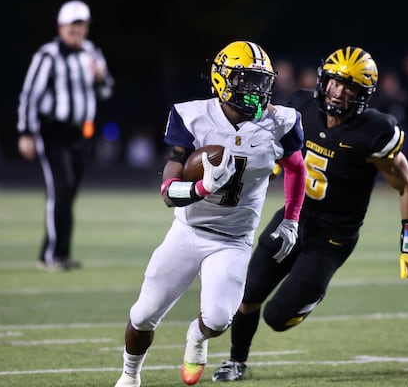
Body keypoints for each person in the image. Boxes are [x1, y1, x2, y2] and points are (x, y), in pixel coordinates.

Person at [212, 46, 408, 382]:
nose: (339, 93)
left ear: (362, 94)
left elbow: (407, 186)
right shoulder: (300, 106)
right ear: (323, 80)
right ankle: (236, 361)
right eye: (335, 83)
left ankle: (311, 291)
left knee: (277, 318)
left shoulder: (373, 132)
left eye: (350, 87)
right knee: (247, 294)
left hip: (332, 237)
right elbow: (264, 129)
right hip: (293, 219)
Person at [113, 40, 307, 387]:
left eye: (261, 81)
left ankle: (197, 337)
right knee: (143, 315)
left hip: (234, 240)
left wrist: (292, 219)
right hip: (189, 232)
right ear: (221, 80)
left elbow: (297, 169)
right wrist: (202, 188)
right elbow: (168, 193)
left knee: (217, 320)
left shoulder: (282, 122)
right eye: (246, 80)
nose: (255, 90)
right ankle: (130, 375)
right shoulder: (193, 116)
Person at [16, 0, 114, 271]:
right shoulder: (47, 56)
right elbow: (30, 95)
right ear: (61, 26)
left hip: (81, 134)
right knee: (60, 190)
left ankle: (60, 253)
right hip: (53, 131)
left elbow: (106, 91)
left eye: (82, 24)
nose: (77, 30)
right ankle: (50, 255)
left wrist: (100, 77)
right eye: (73, 24)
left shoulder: (92, 52)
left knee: (69, 193)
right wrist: (25, 132)